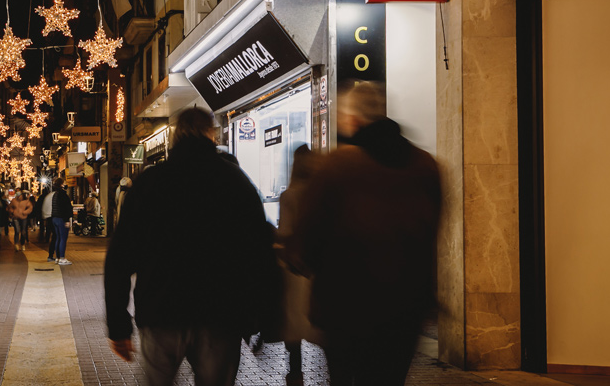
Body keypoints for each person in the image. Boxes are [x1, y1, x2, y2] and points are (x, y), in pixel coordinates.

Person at [105, 108, 279, 386]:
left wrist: (118, 324)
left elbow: (120, 257)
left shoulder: (149, 184)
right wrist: (264, 318)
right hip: (220, 313)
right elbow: (259, 252)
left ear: (175, 136)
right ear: (212, 134)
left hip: (161, 310)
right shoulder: (235, 182)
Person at [292, 82, 441, 386]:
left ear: (353, 120)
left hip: (346, 307)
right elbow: (432, 229)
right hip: (405, 308)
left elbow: (308, 237)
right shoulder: (425, 165)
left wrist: (304, 262)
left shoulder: (337, 167)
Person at [274, 145, 322, 385]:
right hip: (320, 267)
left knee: (294, 321)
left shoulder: (289, 195)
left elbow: (284, 232)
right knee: (319, 319)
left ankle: (295, 372)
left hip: (294, 269)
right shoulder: (321, 194)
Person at [48, 180, 74, 266]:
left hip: (55, 218)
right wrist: (67, 220)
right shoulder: (63, 194)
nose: (66, 184)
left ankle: (58, 257)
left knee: (58, 238)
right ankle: (62, 258)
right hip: (61, 218)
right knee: (63, 238)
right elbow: (66, 208)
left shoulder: (55, 194)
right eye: (65, 183)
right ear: (61, 185)